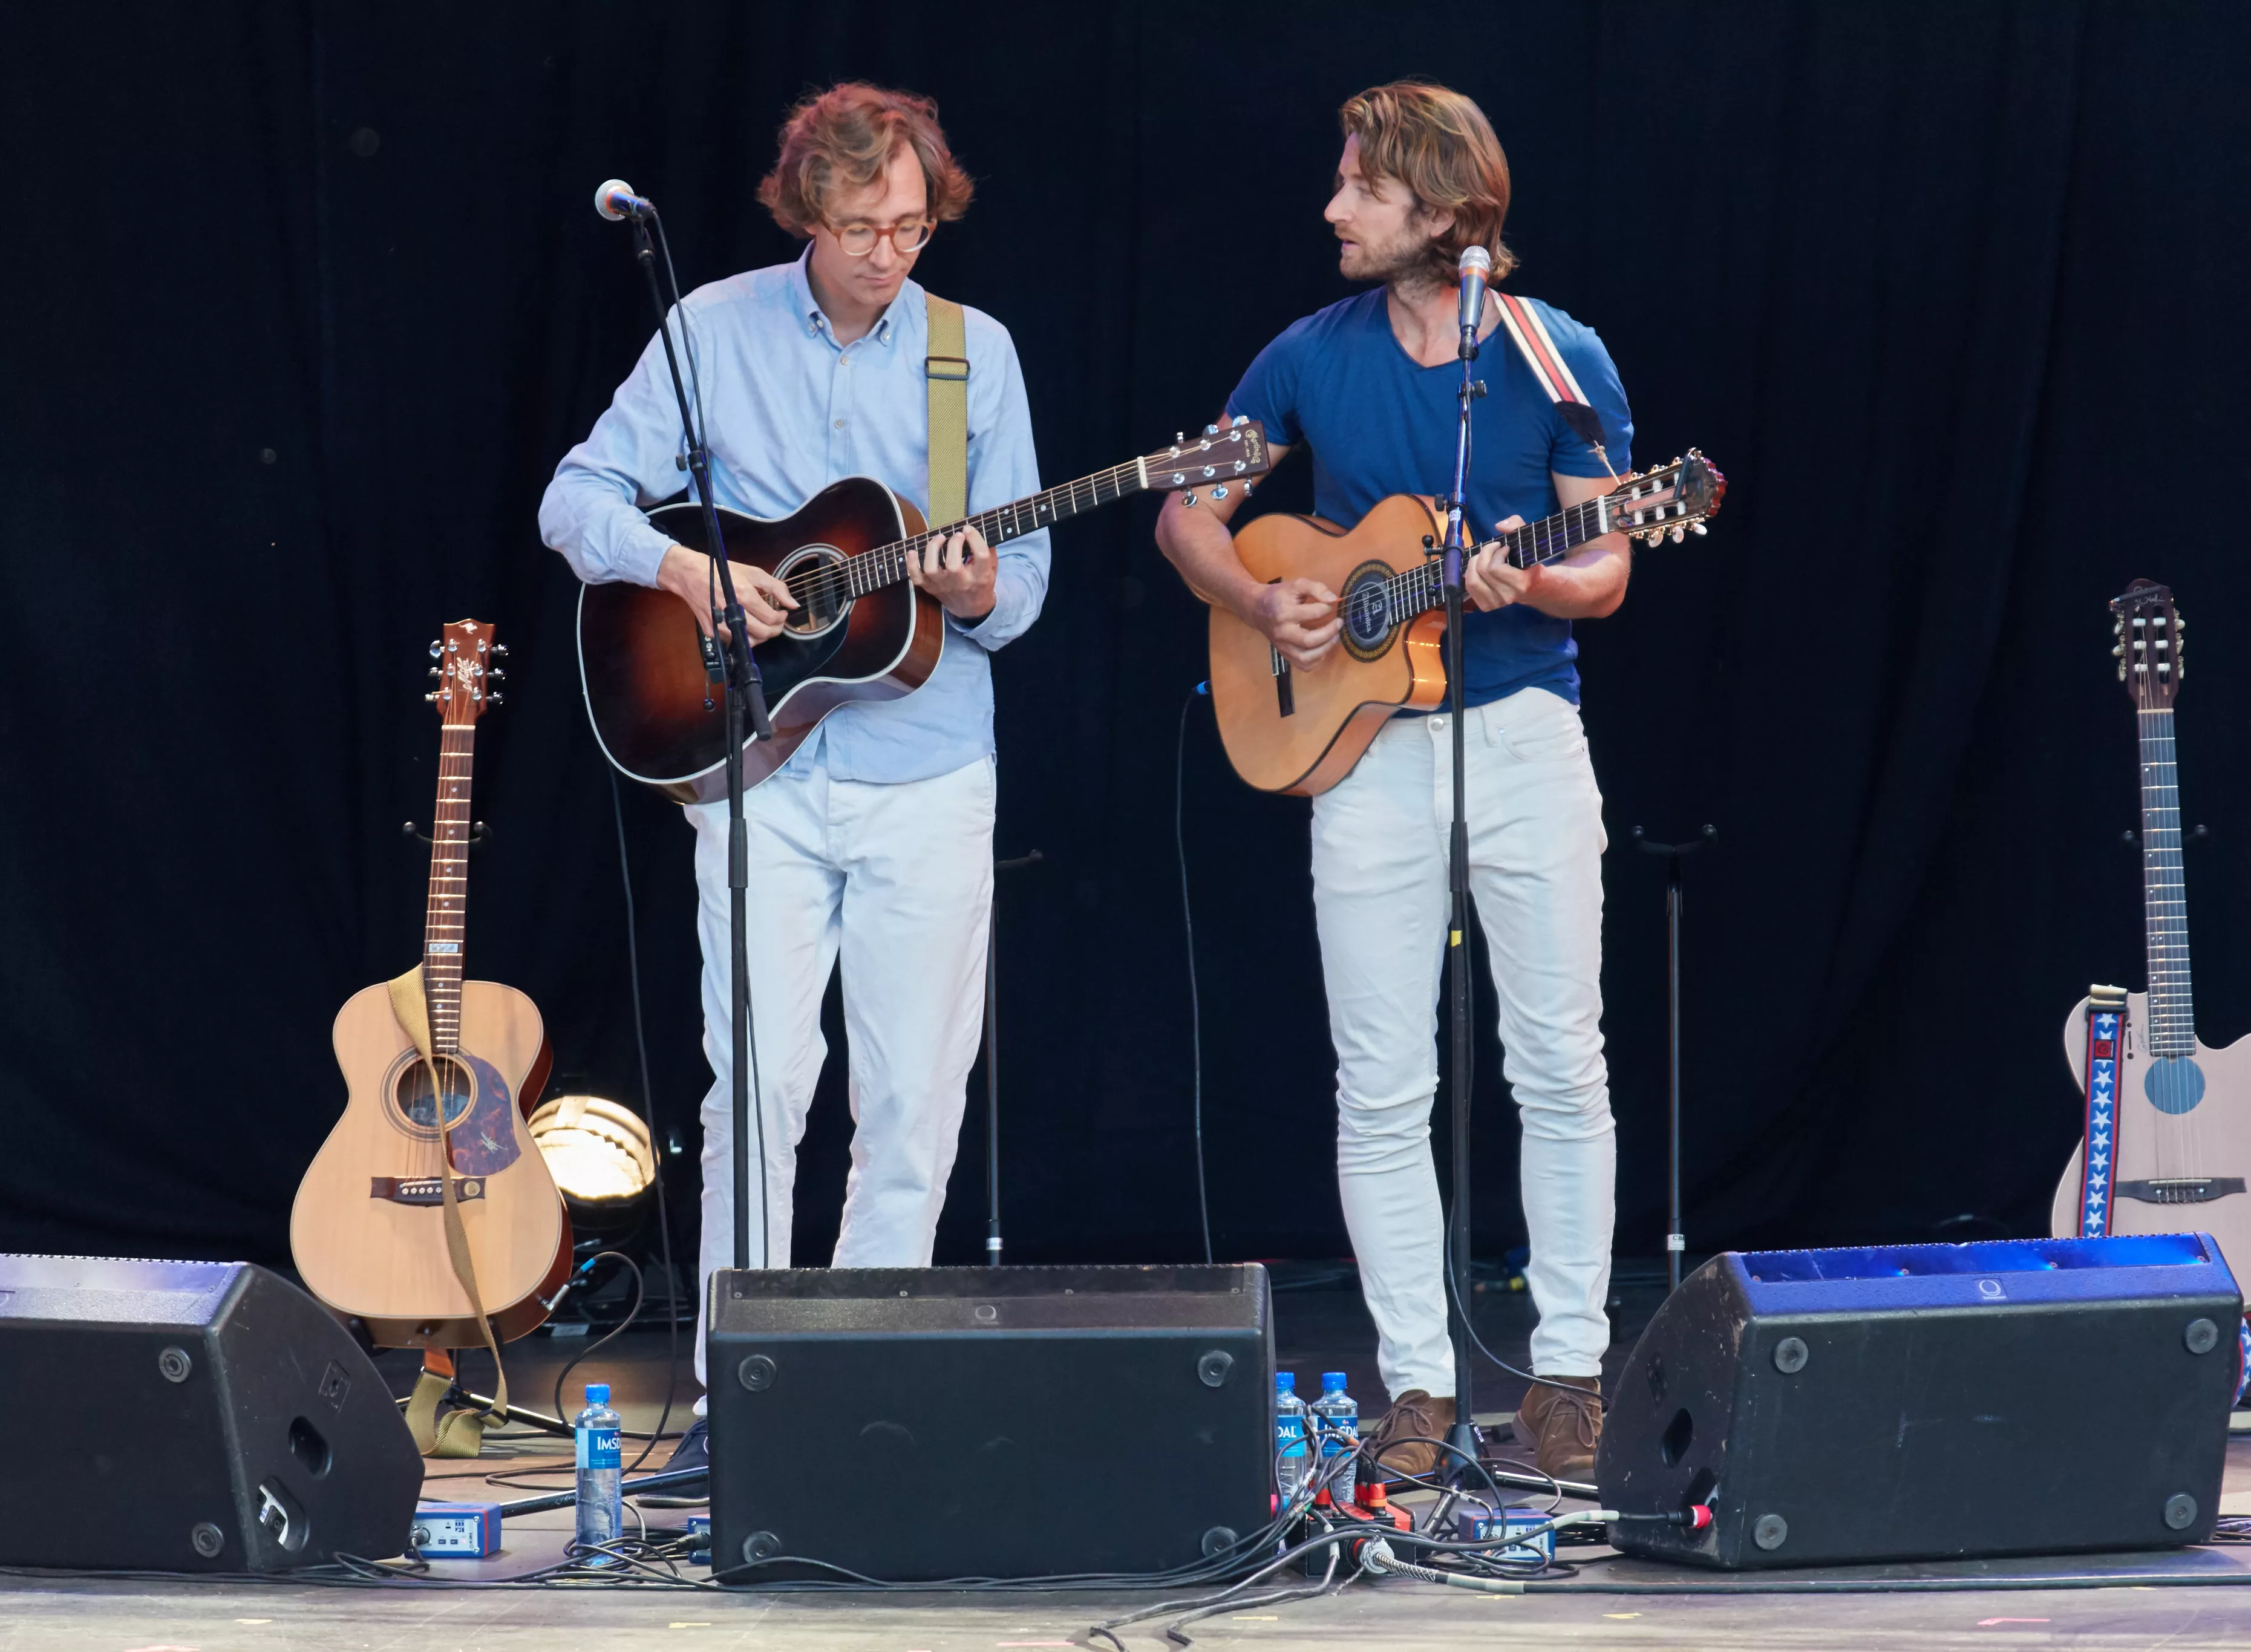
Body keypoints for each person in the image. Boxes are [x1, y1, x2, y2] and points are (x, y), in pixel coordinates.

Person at [540, 83, 1048, 1472]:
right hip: (754, 768)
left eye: (913, 227)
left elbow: (1024, 592)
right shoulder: (711, 329)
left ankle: (864, 1398)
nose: (890, 254)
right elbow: (573, 499)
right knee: (754, 1094)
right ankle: (742, 1400)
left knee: (912, 1107)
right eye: (863, 227)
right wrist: (683, 569)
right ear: (806, 212)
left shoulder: (972, 355)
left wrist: (980, 585)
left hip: (927, 771)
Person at [1155, 81, 1633, 1481]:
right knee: (1378, 1084)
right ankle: (1417, 1389)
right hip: (1359, 751)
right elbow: (1188, 513)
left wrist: (1526, 578)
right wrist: (1260, 601)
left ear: (1437, 209)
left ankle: (1567, 1378)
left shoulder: (1556, 357)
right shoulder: (1304, 355)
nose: (1331, 209)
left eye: (1359, 187)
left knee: (1558, 1064)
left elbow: (1605, 564)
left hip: (1523, 731)